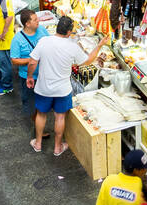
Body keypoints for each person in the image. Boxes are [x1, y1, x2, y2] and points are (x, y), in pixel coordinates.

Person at [27, 15, 107, 156]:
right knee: (60, 117)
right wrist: (99, 45)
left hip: (44, 87)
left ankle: (38, 143)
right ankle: (58, 148)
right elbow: (88, 61)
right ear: (69, 32)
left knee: (41, 114)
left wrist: (29, 77)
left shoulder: (44, 41)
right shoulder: (72, 47)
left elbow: (32, 62)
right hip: (62, 90)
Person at [10, 9, 48, 118]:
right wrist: (32, 59)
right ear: (27, 24)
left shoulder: (42, 30)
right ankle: (36, 126)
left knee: (43, 102)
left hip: (44, 74)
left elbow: (50, 43)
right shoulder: (17, 39)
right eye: (35, 20)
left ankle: (39, 121)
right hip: (28, 77)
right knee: (32, 103)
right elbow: (14, 60)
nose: (38, 21)